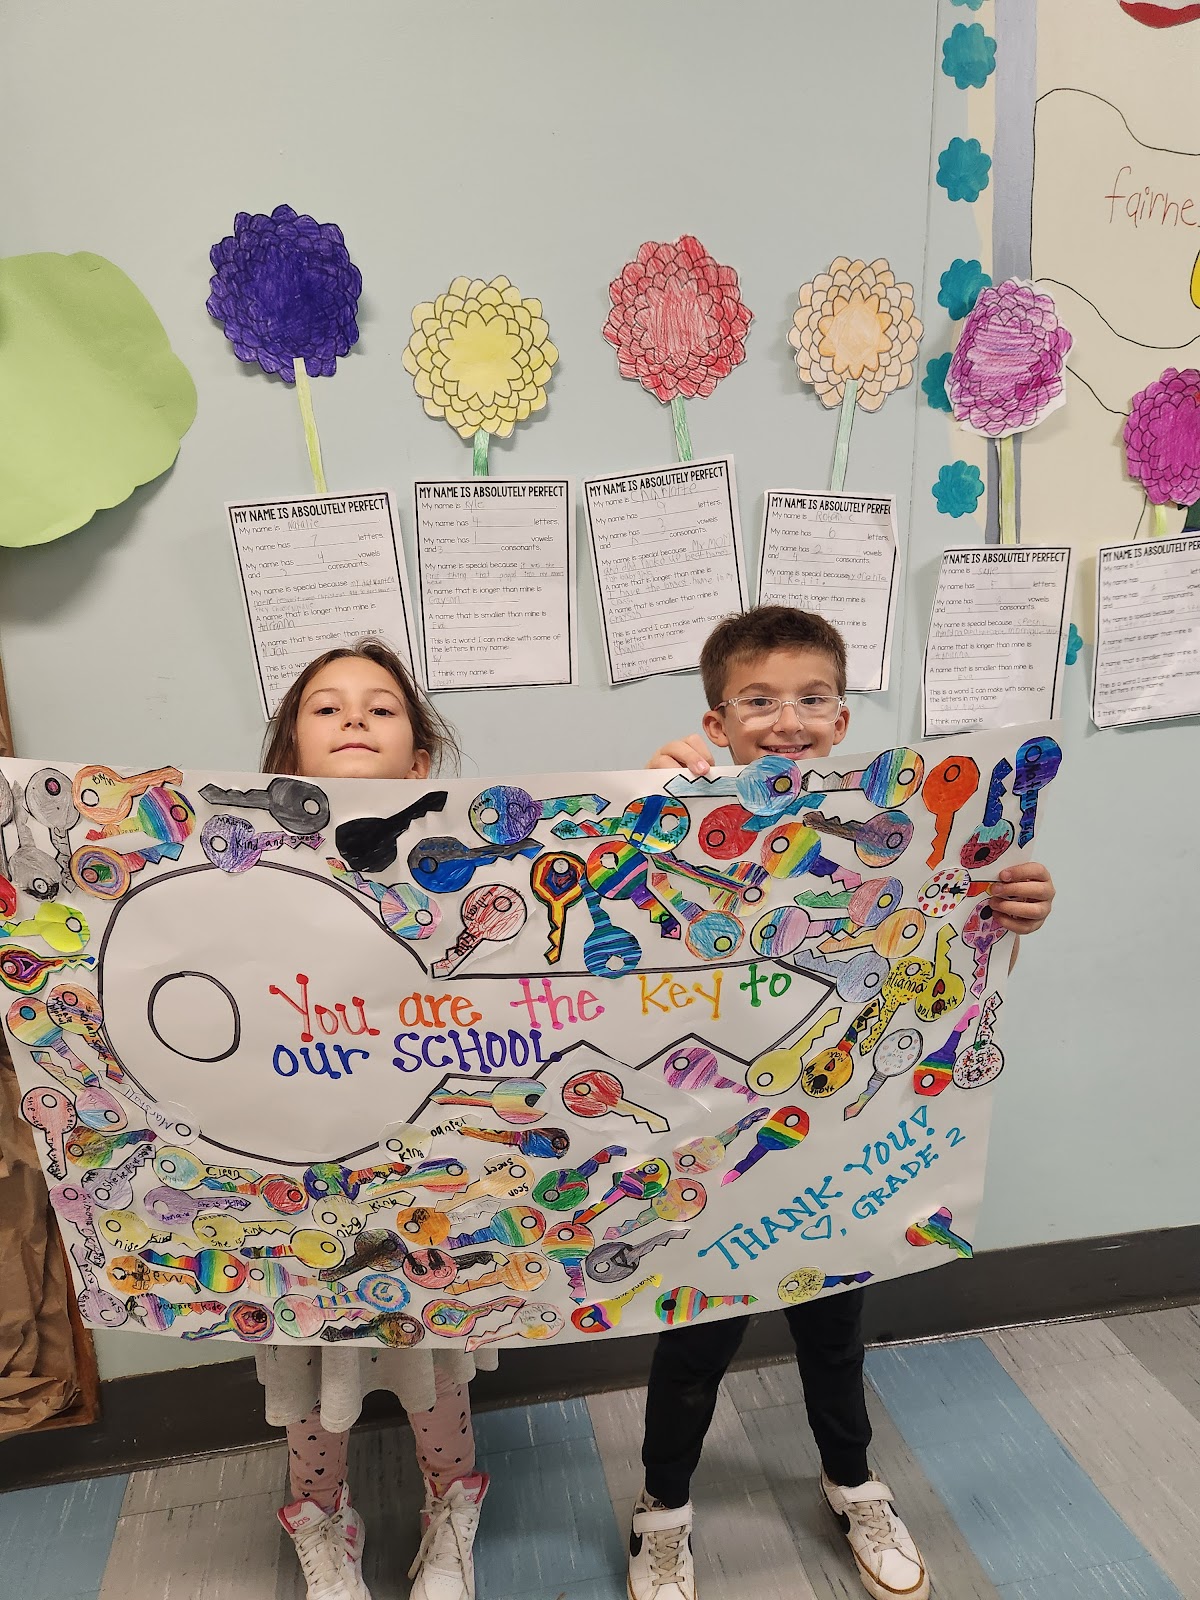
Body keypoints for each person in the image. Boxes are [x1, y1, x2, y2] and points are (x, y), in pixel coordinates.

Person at [626, 606, 1056, 1600]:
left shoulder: (886, 842)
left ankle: (854, 1481)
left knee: (834, 1337)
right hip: (714, 1147)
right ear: (718, 719)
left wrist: (1011, 913)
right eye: (760, 700)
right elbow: (632, 953)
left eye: (813, 698)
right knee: (693, 1341)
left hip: (835, 1145)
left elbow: (949, 966)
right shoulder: (680, 814)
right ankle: (663, 1510)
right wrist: (646, 806)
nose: (789, 720)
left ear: (843, 717)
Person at [258, 641, 487, 1600]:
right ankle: (321, 1516)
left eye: (381, 708)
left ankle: (454, 1506)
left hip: (424, 1178)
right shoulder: (236, 876)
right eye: (327, 707)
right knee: (313, 1351)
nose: (354, 718)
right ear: (284, 766)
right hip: (297, 1182)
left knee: (431, 1355)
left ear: (420, 764)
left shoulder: (462, 870)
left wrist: (675, 787)